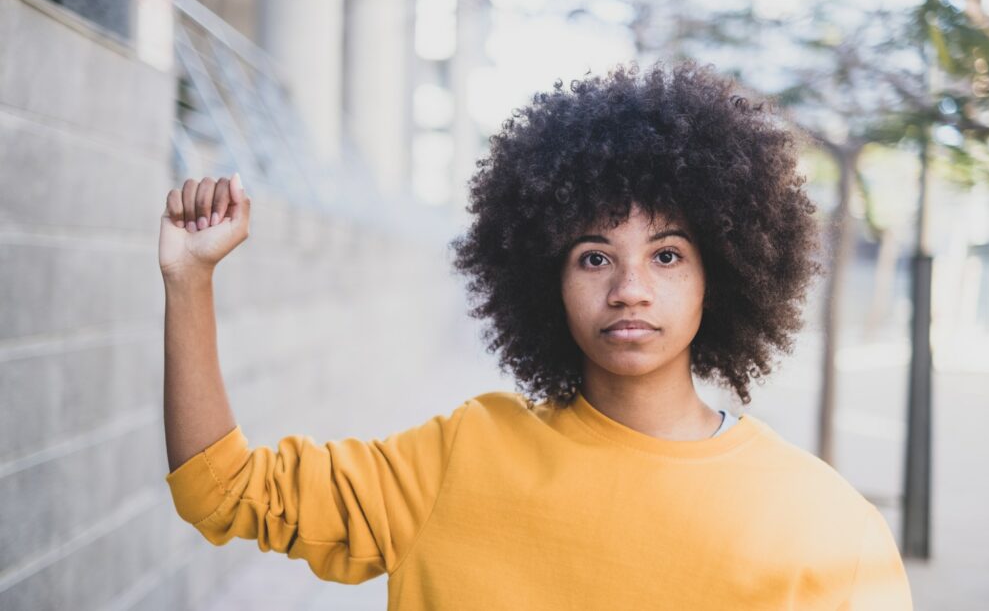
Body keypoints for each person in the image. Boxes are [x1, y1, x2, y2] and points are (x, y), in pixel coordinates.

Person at [160, 62, 914, 609]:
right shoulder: (459, 459)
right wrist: (189, 282)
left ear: (725, 273)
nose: (629, 289)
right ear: (543, 278)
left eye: (667, 255)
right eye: (594, 256)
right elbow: (219, 490)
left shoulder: (825, 529)